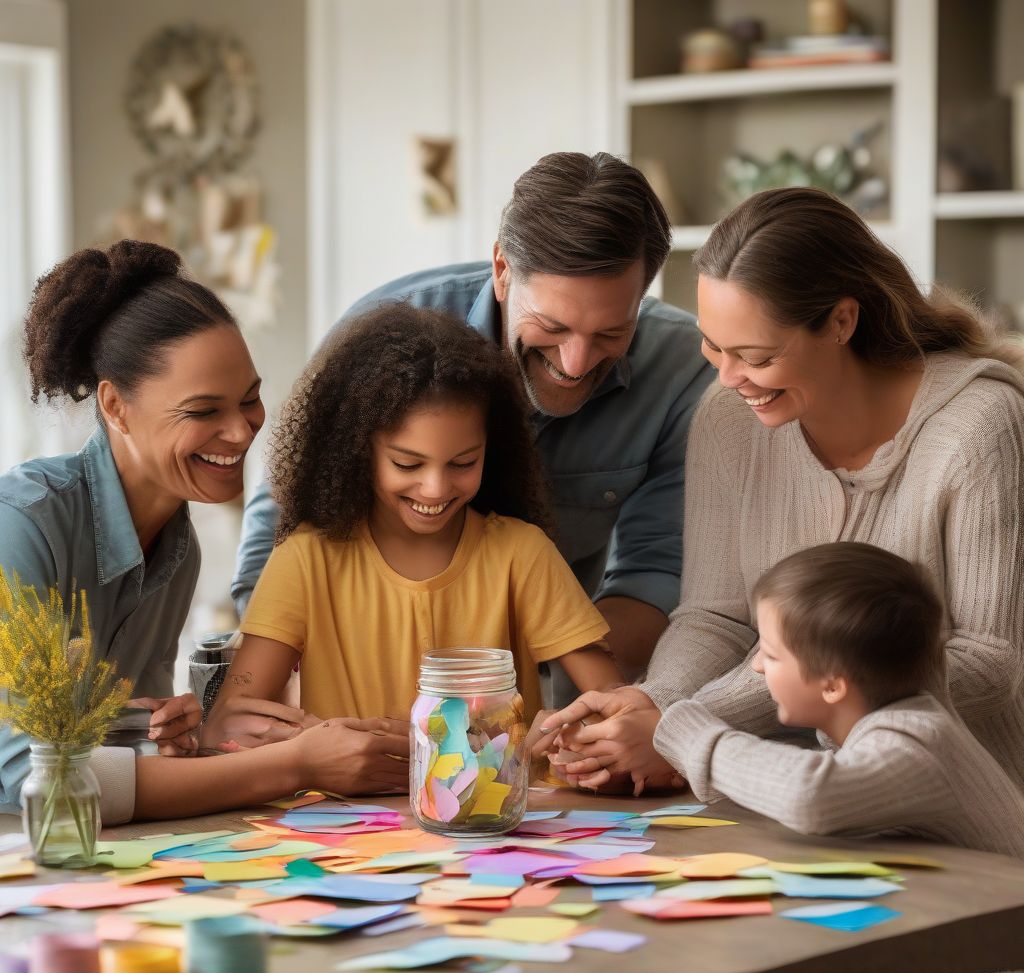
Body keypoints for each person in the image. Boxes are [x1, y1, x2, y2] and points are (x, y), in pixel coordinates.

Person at [541, 185, 1024, 792]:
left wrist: (687, 726)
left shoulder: (978, 424)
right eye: (713, 347)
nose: (729, 378)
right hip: (764, 785)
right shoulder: (725, 418)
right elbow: (716, 616)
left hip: (958, 799)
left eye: (757, 356)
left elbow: (989, 662)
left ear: (842, 321)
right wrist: (650, 704)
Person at [232, 152, 715, 689]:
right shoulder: (383, 335)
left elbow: (656, 572)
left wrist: (502, 683)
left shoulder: (683, 370)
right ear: (503, 271)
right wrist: (277, 665)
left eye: (610, 333)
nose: (576, 365)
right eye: (552, 325)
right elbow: (284, 509)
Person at [0, 241, 408, 825]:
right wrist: (298, 765)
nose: (242, 432)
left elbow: (115, 759)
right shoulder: (21, 527)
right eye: (202, 412)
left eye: (249, 399)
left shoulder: (178, 545)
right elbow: (41, 779)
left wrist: (172, 740)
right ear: (115, 406)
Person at [201, 304, 623, 749]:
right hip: (342, 814)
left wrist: (576, 730)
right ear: (360, 450)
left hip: (492, 814)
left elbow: (612, 701)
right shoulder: (306, 560)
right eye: (407, 463)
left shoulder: (522, 552)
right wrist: (298, 742)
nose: (436, 488)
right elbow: (230, 726)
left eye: (464, 462)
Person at [553, 542, 1024, 857]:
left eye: (771, 655)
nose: (757, 667)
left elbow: (810, 796)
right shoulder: (886, 722)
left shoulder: (916, 743)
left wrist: (677, 727)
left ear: (834, 685)